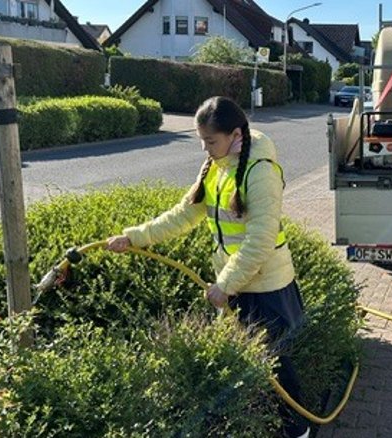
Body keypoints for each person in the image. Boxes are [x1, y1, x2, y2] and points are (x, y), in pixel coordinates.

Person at [106, 96, 309, 438]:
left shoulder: (260, 171)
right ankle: (248, 423)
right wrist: (134, 237)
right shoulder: (217, 166)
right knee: (238, 360)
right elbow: (183, 214)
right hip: (234, 285)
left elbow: (260, 239)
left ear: (234, 134)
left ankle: (297, 430)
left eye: (211, 141)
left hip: (265, 288)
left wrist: (225, 283)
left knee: (274, 365)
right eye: (202, 141)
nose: (206, 149)